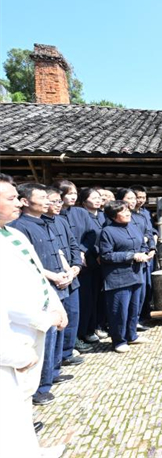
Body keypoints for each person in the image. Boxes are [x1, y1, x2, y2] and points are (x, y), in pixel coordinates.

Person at [0, 173, 67, 458]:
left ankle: (29, 450)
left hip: (33, 327)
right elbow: (8, 298)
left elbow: (37, 274)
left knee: (21, 400)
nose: (19, 203)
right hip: (12, 336)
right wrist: (45, 319)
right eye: (11, 198)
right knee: (8, 404)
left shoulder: (13, 234)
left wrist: (56, 305)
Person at [9, 183, 82, 405]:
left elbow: (60, 250)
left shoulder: (46, 222)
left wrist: (70, 270)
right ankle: (40, 387)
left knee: (59, 330)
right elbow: (30, 263)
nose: (49, 202)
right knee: (46, 336)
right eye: (43, 197)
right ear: (25, 201)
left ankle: (53, 371)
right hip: (43, 286)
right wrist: (52, 276)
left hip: (61, 281)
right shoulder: (19, 227)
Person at [98, 201, 152, 353]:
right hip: (118, 277)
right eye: (123, 211)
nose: (128, 213)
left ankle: (132, 335)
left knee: (134, 307)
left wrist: (144, 252)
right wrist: (132, 256)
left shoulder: (133, 227)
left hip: (136, 273)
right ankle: (118, 340)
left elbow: (142, 244)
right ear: (114, 216)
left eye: (127, 210)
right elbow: (106, 255)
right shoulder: (107, 232)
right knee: (119, 310)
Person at [43, 187, 84, 367]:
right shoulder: (36, 224)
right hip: (53, 280)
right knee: (57, 320)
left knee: (72, 315)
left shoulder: (62, 221)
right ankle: (53, 362)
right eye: (54, 201)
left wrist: (76, 267)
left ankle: (66, 353)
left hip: (70, 276)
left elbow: (73, 245)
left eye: (60, 201)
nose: (58, 205)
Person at [73, 187, 107, 348]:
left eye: (99, 197)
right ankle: (83, 331)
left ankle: (94, 327)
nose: (98, 199)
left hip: (102, 260)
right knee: (85, 299)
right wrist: (82, 252)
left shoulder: (103, 215)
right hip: (86, 261)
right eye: (94, 197)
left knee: (97, 297)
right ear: (84, 200)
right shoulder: (79, 216)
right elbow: (80, 239)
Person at [130, 185, 158, 324]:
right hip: (137, 253)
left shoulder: (146, 212)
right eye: (138, 197)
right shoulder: (128, 215)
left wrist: (154, 242)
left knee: (148, 284)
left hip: (149, 252)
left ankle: (146, 313)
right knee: (139, 286)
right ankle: (137, 317)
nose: (140, 200)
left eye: (143, 197)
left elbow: (151, 229)